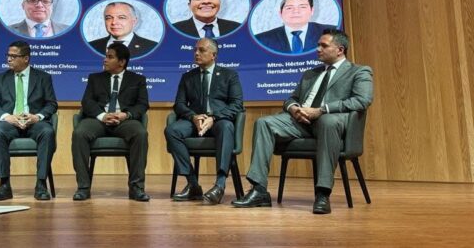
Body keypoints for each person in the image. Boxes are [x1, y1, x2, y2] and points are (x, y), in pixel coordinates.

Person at [232, 29, 373, 214]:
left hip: (330, 123)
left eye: (324, 46)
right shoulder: (310, 73)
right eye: (318, 45)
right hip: (300, 123)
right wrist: (294, 109)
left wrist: (322, 110)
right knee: (264, 123)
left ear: (340, 50)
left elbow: (362, 100)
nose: (318, 49)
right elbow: (291, 99)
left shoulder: (359, 71)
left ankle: (322, 193)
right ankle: (259, 190)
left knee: (327, 122)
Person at [165, 37, 244, 205]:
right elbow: (179, 104)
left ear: (214, 55)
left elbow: (237, 105)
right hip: (194, 121)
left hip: (218, 120)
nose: (196, 53)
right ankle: (192, 184)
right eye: (195, 50)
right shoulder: (188, 77)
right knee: (172, 130)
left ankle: (220, 184)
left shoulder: (229, 75)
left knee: (226, 127)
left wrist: (214, 117)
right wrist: (193, 117)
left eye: (201, 50)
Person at [71, 42, 150, 201]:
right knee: (79, 133)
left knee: (140, 133)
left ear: (122, 62)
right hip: (98, 120)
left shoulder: (137, 80)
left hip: (124, 121)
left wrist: (125, 115)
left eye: (110, 57)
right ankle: (83, 187)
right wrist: (102, 115)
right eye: (106, 56)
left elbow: (142, 105)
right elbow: (87, 102)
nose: (105, 60)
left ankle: (136, 188)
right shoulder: (95, 78)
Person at [0, 41, 58, 201]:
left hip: (34, 123)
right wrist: (7, 116)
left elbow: (51, 104)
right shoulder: (0, 78)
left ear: (26, 58)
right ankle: (4, 185)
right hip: (10, 122)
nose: (9, 59)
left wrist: (37, 116)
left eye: (13, 56)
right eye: (8, 55)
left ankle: (41, 184)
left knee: (47, 132)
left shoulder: (43, 77)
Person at [254, 0, 336, 53]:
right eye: (289, 8)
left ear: (312, 11)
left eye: (302, 7)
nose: (296, 11)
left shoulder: (332, 32)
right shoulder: (261, 40)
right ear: (280, 13)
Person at [88, 1, 158, 58]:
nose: (114, 22)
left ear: (134, 21)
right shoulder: (91, 46)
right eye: (109, 18)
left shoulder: (152, 47)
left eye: (121, 17)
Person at [172, 0, 241, 38]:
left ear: (220, 2)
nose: (206, 1)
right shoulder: (174, 30)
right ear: (189, 5)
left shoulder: (236, 28)